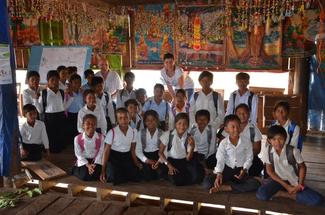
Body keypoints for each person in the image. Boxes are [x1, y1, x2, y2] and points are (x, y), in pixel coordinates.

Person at [256, 125, 323, 206]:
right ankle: (286, 194)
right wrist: (286, 186)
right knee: (261, 194)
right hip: (278, 181)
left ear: (285, 138)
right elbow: (269, 171)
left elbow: (302, 167)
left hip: (294, 181)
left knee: (318, 200)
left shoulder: (293, 151)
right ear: (269, 140)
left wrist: (300, 184)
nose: (277, 142)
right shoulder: (268, 150)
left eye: (280, 139)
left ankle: (282, 193)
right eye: (274, 139)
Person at [203, 115, 260, 193]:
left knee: (255, 184)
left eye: (238, 126)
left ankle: (226, 188)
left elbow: (249, 158)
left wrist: (244, 169)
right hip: (226, 170)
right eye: (233, 127)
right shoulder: (223, 143)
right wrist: (219, 173)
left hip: (240, 171)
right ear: (226, 129)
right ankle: (234, 187)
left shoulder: (246, 142)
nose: (236, 129)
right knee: (207, 183)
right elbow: (220, 159)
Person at [159, 113, 204, 186]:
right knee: (177, 181)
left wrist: (192, 147)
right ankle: (167, 174)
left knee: (197, 177)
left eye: (185, 124)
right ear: (175, 124)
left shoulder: (190, 137)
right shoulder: (168, 134)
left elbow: (188, 158)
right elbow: (160, 153)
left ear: (188, 125)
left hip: (184, 161)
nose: (182, 126)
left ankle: (174, 176)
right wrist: (169, 166)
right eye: (179, 123)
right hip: (170, 161)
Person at [100, 108, 141, 185]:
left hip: (127, 156)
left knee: (136, 177)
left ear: (129, 118)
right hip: (114, 157)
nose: (123, 120)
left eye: (126, 117)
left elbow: (132, 150)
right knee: (114, 178)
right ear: (117, 121)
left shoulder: (133, 131)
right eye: (120, 118)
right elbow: (106, 152)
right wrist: (103, 170)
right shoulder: (111, 132)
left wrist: (136, 162)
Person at [34, 70, 72, 153]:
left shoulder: (61, 92)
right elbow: (40, 110)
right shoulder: (44, 93)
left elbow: (64, 107)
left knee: (59, 135)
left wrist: (71, 98)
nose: (55, 82)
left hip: (60, 117)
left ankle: (59, 150)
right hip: (49, 119)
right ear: (48, 81)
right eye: (52, 80)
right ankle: (49, 151)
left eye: (56, 80)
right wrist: (35, 99)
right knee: (50, 136)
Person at [72, 114, 104, 181]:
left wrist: (94, 164)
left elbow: (101, 152)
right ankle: (75, 169)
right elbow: (78, 154)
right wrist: (88, 165)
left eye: (93, 124)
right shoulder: (77, 138)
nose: (90, 126)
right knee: (85, 176)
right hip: (84, 160)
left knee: (97, 173)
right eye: (88, 123)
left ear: (96, 126)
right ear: (83, 126)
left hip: (96, 160)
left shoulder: (101, 137)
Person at [235, 104, 263, 176]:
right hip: (232, 155)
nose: (242, 115)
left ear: (249, 114)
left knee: (257, 164)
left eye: (244, 113)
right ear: (235, 114)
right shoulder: (230, 126)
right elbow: (221, 142)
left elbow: (257, 149)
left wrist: (245, 156)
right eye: (239, 113)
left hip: (248, 156)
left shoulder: (253, 129)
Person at [136, 110, 163, 181]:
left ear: (157, 121)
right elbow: (138, 151)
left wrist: (158, 161)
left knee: (160, 174)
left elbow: (164, 151)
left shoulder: (162, 133)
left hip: (158, 156)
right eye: (148, 120)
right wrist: (147, 160)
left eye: (153, 120)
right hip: (145, 155)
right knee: (146, 176)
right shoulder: (140, 133)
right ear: (145, 122)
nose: (150, 122)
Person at [189, 109, 217, 174]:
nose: (202, 121)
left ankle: (204, 169)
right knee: (196, 158)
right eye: (199, 119)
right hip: (196, 154)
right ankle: (206, 170)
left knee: (216, 158)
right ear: (196, 120)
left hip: (208, 156)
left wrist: (206, 158)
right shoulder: (192, 130)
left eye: (204, 119)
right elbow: (191, 146)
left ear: (208, 120)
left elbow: (212, 147)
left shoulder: (212, 130)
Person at [65, 74, 84, 145]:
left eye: (79, 82)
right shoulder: (67, 93)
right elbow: (65, 105)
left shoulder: (82, 92)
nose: (77, 84)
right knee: (72, 131)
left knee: (80, 131)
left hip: (80, 114)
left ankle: (79, 144)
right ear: (71, 83)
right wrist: (70, 95)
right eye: (75, 82)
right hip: (71, 115)